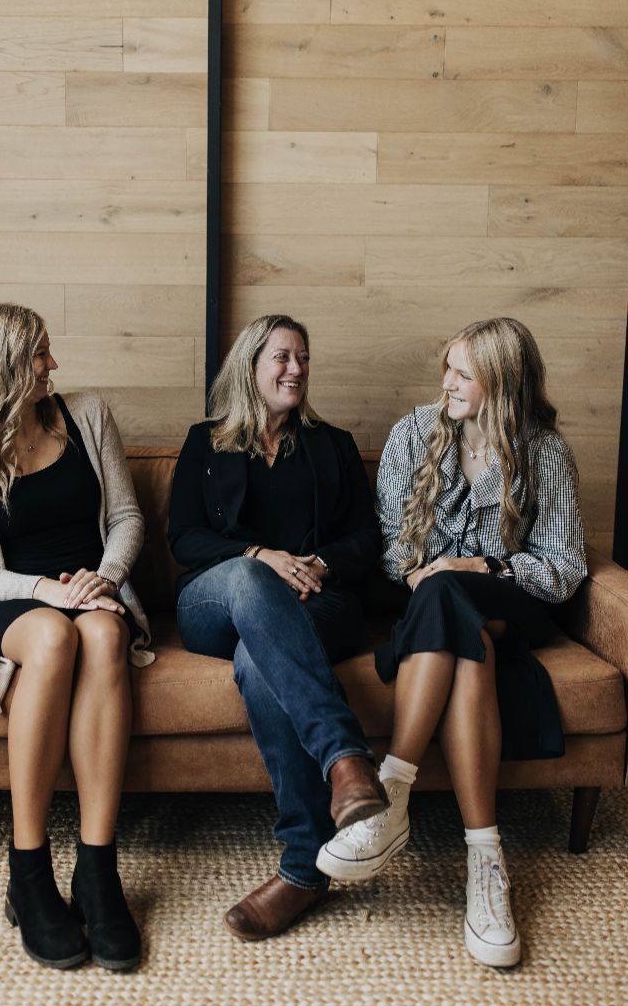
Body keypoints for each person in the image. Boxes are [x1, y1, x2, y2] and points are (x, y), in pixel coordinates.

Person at [316, 317, 587, 968]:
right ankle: (487, 861)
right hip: (433, 610)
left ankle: (393, 796)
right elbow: (392, 547)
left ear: (503, 382)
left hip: (512, 603)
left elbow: (565, 567)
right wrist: (429, 573)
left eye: (465, 373)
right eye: (447, 368)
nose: (448, 383)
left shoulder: (543, 450)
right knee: (449, 617)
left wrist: (476, 568)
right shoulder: (415, 433)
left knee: (449, 591)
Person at [0, 303, 152, 971]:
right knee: (54, 638)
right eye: (39, 356)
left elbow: (128, 517)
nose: (54, 364)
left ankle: (96, 869)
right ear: (2, 368)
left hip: (92, 591)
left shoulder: (85, 415)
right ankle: (28, 871)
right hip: (11, 601)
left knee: (106, 641)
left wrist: (104, 580)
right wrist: (45, 590)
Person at [168, 314, 385, 940]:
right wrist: (261, 558)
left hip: (318, 602)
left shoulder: (332, 444)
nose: (296, 369)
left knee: (257, 661)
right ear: (250, 366)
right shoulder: (205, 441)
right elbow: (184, 539)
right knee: (249, 582)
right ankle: (346, 759)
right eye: (282, 357)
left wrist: (318, 563)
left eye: (304, 357)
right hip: (217, 600)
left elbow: (366, 538)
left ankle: (302, 870)